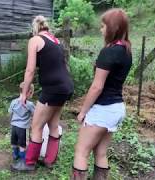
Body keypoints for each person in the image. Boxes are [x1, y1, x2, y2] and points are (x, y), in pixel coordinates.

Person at [71, 9, 132, 180]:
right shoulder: (126, 50)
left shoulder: (109, 51)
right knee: (100, 152)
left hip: (102, 109)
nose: (101, 29)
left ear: (112, 27)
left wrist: (83, 111)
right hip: (117, 108)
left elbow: (97, 87)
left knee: (81, 152)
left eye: (103, 25)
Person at [12, 15, 74, 171]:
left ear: (34, 28)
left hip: (52, 88)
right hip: (65, 86)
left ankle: (29, 163)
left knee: (36, 126)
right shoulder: (55, 41)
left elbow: (30, 69)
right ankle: (49, 160)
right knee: (53, 124)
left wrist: (24, 94)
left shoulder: (35, 40)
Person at [9, 82, 35, 162]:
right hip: (22, 128)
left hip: (13, 126)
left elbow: (10, 113)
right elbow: (36, 114)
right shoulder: (29, 104)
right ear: (29, 92)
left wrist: (12, 121)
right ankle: (22, 159)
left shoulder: (13, 101)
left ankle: (15, 155)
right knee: (22, 145)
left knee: (14, 142)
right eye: (32, 93)